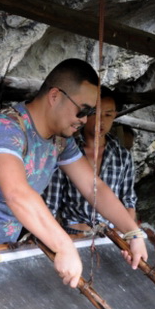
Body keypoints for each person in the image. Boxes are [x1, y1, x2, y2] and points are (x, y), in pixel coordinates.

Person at [0, 58, 148, 288]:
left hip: (2, 247)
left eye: (90, 112)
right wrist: (64, 245)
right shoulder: (5, 128)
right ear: (54, 96)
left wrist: (133, 232)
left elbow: (94, 187)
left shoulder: (60, 141)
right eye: (82, 110)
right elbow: (17, 193)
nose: (85, 120)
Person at [43, 86, 137, 234]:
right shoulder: (67, 152)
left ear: (115, 116)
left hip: (110, 234)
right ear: (85, 113)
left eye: (108, 114)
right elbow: (51, 203)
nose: (101, 121)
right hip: (73, 232)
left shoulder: (122, 156)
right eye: (95, 113)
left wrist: (130, 235)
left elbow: (129, 201)